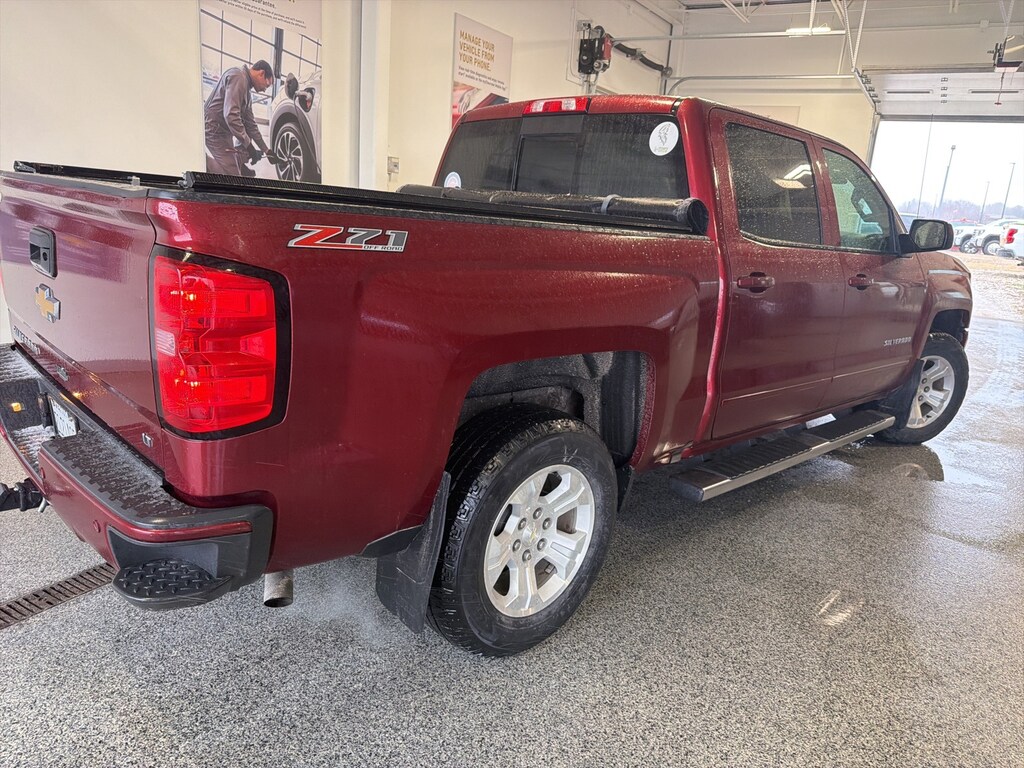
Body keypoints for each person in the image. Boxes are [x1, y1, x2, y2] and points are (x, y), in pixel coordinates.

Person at [204, 60, 277, 176]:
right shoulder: (239, 77)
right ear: (261, 73)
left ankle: (238, 164)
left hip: (223, 131)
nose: (265, 90)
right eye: (267, 85)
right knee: (232, 177)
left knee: (246, 137)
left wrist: (266, 150)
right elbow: (231, 116)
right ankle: (200, 161)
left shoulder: (247, 91)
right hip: (214, 130)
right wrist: (249, 146)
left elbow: (251, 125)